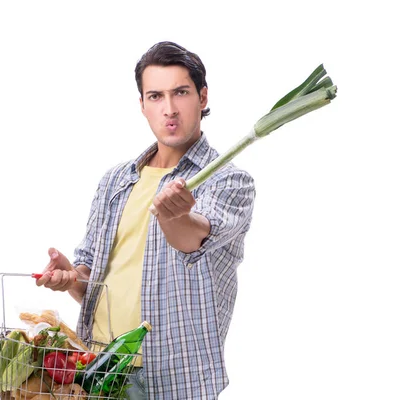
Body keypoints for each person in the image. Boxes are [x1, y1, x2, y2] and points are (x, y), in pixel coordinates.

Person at [35, 41, 255, 399]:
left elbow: (193, 241)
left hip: (171, 380)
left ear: (202, 97)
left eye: (180, 93)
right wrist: (70, 277)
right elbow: (92, 280)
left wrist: (177, 214)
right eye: (155, 96)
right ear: (142, 105)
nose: (169, 109)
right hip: (95, 370)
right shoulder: (116, 181)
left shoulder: (228, 181)